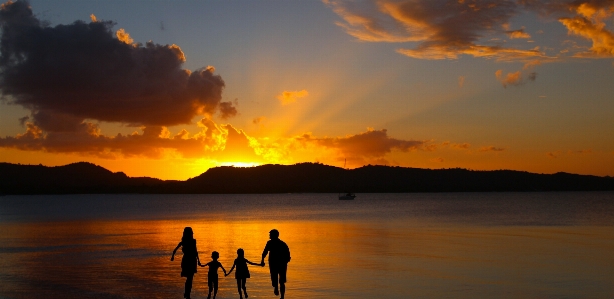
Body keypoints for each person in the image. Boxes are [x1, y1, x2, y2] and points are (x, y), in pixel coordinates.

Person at [171, 227, 202, 299]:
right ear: (191, 233)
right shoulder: (192, 241)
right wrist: (199, 261)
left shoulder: (184, 242)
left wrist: (172, 257)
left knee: (189, 278)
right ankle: (187, 294)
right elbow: (195, 251)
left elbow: (174, 250)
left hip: (187, 260)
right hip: (190, 260)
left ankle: (187, 293)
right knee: (190, 278)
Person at [260, 229, 291, 299]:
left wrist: (286, 260)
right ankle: (277, 289)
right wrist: (262, 260)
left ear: (274, 235)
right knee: (276, 280)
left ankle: (282, 296)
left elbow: (288, 254)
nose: (269, 236)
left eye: (270, 235)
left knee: (281, 281)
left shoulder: (281, 244)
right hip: (275, 263)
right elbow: (265, 252)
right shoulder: (270, 243)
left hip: (280, 264)